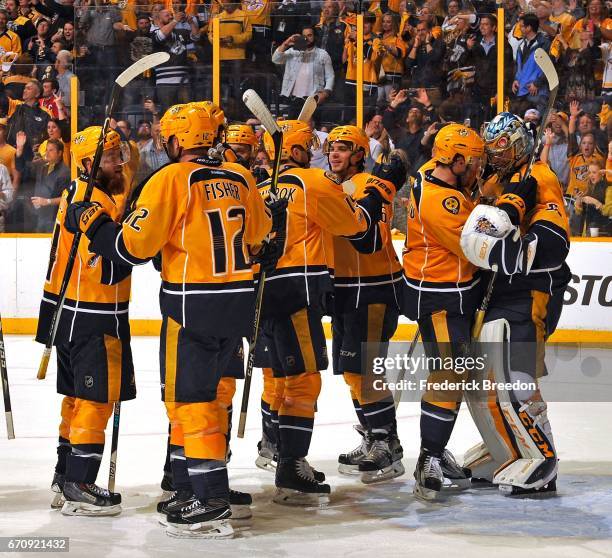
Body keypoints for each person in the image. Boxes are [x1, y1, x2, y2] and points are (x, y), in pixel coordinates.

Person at [63, 102, 282, 539]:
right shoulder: (240, 178)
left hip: (191, 307)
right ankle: (186, 486)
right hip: (236, 307)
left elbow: (131, 249)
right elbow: (262, 242)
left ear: (178, 140)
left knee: (191, 402)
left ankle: (210, 498)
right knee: (206, 398)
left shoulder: (170, 179)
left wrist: (94, 223)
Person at [256, 119, 392, 505]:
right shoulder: (313, 183)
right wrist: (374, 195)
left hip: (263, 294)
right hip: (297, 292)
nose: (325, 153)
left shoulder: (259, 187)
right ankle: (291, 467)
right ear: (300, 151)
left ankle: (283, 455)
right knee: (304, 381)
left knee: (284, 380)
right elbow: (358, 228)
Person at [460, 112, 571, 496]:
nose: (496, 157)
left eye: (502, 150)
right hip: (498, 290)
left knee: (515, 377)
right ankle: (504, 448)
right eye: (491, 150)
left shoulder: (539, 177)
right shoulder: (495, 181)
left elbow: (555, 242)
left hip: (531, 289)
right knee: (480, 379)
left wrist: (510, 251)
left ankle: (540, 458)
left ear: (519, 145)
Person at [35, 126, 134, 516]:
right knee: (96, 400)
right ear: (89, 163)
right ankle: (80, 482)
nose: (118, 162)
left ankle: (64, 475)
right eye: (110, 157)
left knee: (76, 399)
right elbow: (112, 268)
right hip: (93, 313)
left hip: (64, 311)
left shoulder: (75, 192)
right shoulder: (93, 199)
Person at [402, 123, 486, 500]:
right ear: (453, 159)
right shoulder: (442, 201)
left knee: (451, 376)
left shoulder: (432, 177)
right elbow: (475, 245)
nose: (476, 167)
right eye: (472, 161)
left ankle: (434, 451)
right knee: (448, 376)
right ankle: (429, 458)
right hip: (440, 295)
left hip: (445, 291)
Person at [324, 125, 407, 483]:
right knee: (354, 373)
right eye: (331, 149)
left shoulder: (363, 188)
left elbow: (369, 239)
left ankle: (387, 445)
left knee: (366, 372)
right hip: (347, 288)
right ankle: (374, 434)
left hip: (373, 289)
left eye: (343, 149)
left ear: (359, 154)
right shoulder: (340, 186)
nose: (334, 155)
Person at [272, 27, 334, 119]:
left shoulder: (322, 54)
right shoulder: (293, 52)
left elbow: (330, 76)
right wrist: (286, 43)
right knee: (294, 130)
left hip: (313, 100)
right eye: (304, 36)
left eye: (309, 35)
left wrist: (325, 93)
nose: (307, 38)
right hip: (294, 100)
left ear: (315, 37)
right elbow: (276, 59)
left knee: (312, 129)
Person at [27, 135, 70, 231]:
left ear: (59, 153)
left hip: (54, 219)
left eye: (51, 150)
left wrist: (47, 201)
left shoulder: (65, 172)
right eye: (47, 149)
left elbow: (66, 198)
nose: (47, 152)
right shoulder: (43, 167)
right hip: (39, 217)